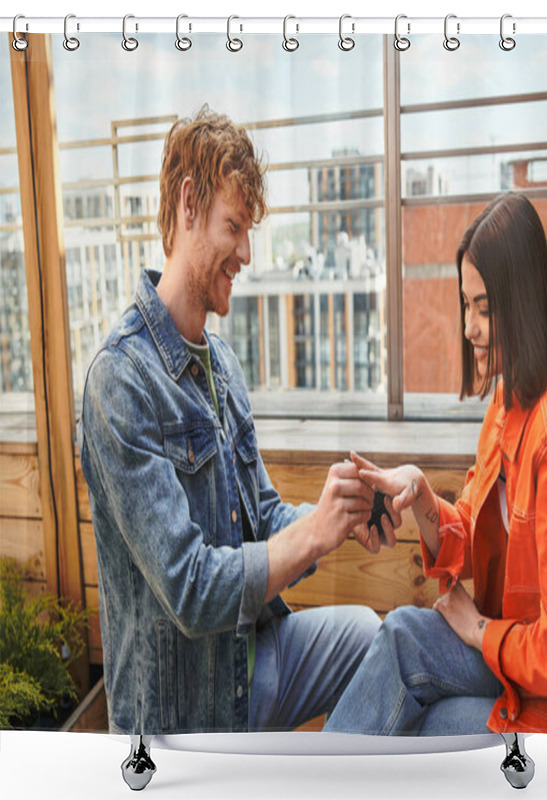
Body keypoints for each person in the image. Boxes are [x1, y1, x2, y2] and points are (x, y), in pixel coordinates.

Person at [79, 107, 395, 735]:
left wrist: (335, 513)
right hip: (188, 714)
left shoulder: (220, 362)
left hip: (252, 662)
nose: (247, 253)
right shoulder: (121, 382)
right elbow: (191, 590)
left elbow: (263, 517)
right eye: (235, 227)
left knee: (374, 636)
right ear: (188, 206)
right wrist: (312, 536)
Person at [324, 192, 547, 737]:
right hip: (515, 665)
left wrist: (477, 629)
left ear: (523, 304)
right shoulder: (507, 404)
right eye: (465, 305)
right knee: (403, 639)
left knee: (424, 714)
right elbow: (468, 531)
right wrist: (420, 494)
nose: (469, 327)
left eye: (485, 308)